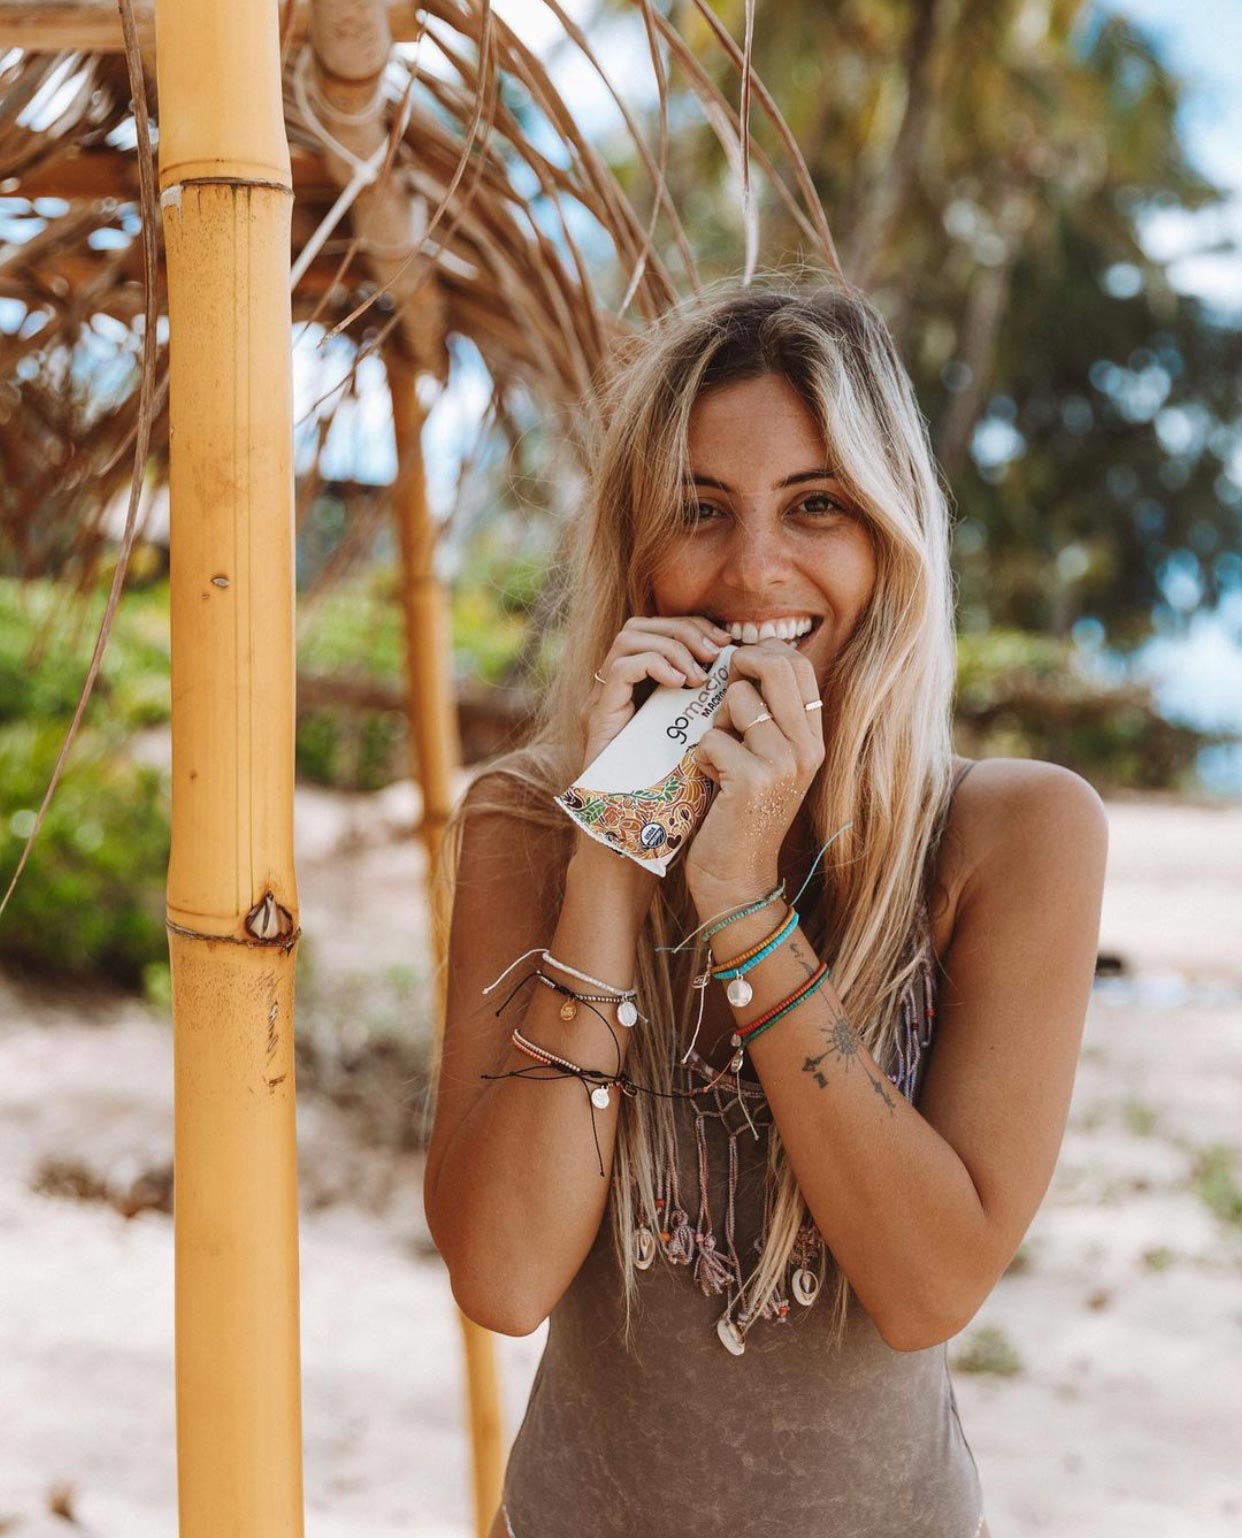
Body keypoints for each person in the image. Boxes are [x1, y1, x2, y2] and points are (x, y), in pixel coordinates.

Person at [423, 277, 1108, 1538]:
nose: (753, 570)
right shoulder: (528, 820)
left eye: (816, 506)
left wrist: (740, 899)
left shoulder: (1012, 837)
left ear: (891, 537)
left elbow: (927, 1284)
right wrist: (617, 850)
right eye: (700, 509)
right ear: (636, 547)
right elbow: (505, 1278)